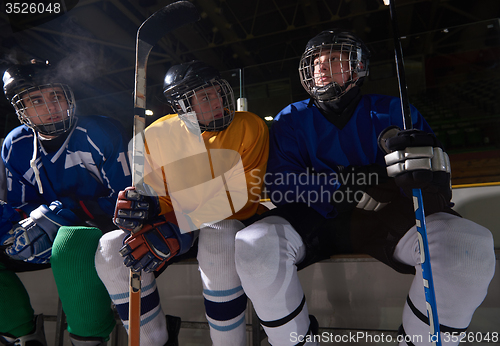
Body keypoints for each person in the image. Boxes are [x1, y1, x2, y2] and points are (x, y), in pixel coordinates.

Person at [232, 29, 496, 345]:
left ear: (357, 68)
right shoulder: (291, 118)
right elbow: (280, 183)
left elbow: (436, 181)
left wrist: (421, 177)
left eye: (332, 58)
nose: (321, 66)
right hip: (316, 220)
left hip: (386, 218)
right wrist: (342, 188)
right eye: (316, 61)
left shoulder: (396, 111)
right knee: (253, 246)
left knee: (468, 248)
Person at [94, 60, 269, 346]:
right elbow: (160, 196)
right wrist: (146, 207)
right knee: (111, 248)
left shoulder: (251, 126)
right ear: (181, 105)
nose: (214, 100)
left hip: (226, 221)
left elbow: (245, 196)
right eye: (202, 96)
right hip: (176, 223)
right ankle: (156, 342)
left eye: (215, 91)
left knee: (218, 237)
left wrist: (179, 223)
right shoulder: (155, 134)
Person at [0, 60, 132, 346]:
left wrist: (69, 210)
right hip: (52, 232)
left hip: (101, 229)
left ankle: (88, 339)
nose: (51, 106)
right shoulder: (16, 144)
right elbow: (21, 207)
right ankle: (23, 337)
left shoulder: (101, 132)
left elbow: (127, 202)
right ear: (21, 107)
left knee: (70, 243)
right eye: (37, 100)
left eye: (55, 95)